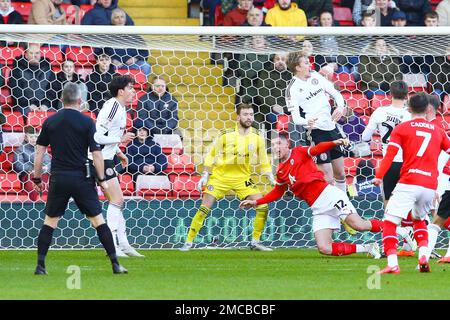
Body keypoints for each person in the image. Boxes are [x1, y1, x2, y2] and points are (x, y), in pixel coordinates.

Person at [32, 82, 127, 275]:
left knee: (50, 221)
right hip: (82, 177)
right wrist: (101, 179)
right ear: (80, 100)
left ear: (61, 99)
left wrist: (37, 178)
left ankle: (40, 266)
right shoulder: (86, 122)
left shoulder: (50, 121)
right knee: (98, 220)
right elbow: (97, 154)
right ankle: (116, 264)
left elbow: (39, 153)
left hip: (59, 177)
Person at [240, 134, 382, 258]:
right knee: (324, 248)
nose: (276, 147)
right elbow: (277, 192)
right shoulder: (281, 171)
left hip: (329, 196)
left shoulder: (299, 152)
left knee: (359, 225)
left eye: (279, 144)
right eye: (273, 145)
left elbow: (317, 149)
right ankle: (368, 248)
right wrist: (256, 202)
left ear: (287, 144)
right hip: (318, 208)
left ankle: (399, 229)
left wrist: (334, 143)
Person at [180, 104, 276, 252]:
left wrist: (270, 176)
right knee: (204, 208)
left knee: (263, 206)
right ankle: (188, 242)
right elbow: (211, 155)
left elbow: (263, 159)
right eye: (245, 114)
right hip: (220, 177)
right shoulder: (226, 134)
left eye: (251, 114)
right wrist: (205, 175)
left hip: (243, 178)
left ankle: (255, 242)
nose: (249, 117)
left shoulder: (257, 136)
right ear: (238, 117)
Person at [373, 92, 450, 274]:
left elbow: (390, 156)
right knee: (419, 220)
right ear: (428, 109)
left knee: (390, 221)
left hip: (409, 181)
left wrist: (379, 176)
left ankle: (392, 263)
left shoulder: (402, 128)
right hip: (430, 185)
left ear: (409, 108)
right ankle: (423, 254)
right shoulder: (438, 131)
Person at [361, 80, 417, 254]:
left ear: (390, 94)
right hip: (408, 163)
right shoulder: (410, 115)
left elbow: (365, 137)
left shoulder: (380, 112)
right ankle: (410, 241)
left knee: (389, 207)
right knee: (409, 203)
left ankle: (391, 246)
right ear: (407, 95)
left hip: (389, 164)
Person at [90, 75, 143, 257]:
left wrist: (118, 151)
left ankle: (124, 244)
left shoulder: (121, 108)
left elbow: (107, 137)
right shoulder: (112, 106)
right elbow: (96, 136)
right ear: (121, 91)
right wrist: (119, 140)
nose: (134, 91)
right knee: (117, 201)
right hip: (99, 159)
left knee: (117, 203)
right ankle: (112, 245)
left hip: (108, 157)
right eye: (130, 87)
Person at [285, 52, 348, 196]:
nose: (310, 65)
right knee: (328, 178)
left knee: (341, 174)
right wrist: (307, 121)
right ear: (297, 67)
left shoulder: (316, 76)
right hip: (315, 132)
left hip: (331, 128)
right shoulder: (292, 89)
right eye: (306, 63)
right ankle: (331, 210)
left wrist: (340, 107)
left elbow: (336, 94)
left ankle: (345, 206)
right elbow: (295, 118)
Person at [10, 43, 56, 116]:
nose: (35, 55)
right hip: (24, 106)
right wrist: (29, 105)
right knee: (31, 116)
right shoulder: (17, 69)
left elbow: (53, 89)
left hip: (45, 106)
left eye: (37, 53)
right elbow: (16, 91)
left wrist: (46, 105)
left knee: (54, 116)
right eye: (31, 53)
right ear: (26, 55)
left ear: (40, 54)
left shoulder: (48, 68)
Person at [102, 8, 151, 77]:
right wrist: (112, 60)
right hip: (114, 65)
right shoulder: (107, 35)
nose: (120, 19)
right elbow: (100, 51)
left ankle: (142, 86)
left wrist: (135, 58)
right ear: (112, 20)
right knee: (106, 66)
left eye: (122, 17)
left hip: (133, 64)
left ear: (125, 19)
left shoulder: (133, 34)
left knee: (145, 66)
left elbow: (144, 52)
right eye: (117, 17)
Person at [14, 126, 51, 201]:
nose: (34, 139)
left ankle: (47, 198)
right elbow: (18, 165)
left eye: (36, 137)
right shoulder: (20, 150)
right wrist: (32, 169)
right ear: (26, 138)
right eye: (31, 137)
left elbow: (48, 163)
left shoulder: (42, 149)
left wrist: (41, 170)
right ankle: (34, 200)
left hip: (43, 175)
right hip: (26, 176)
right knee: (32, 176)